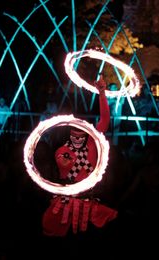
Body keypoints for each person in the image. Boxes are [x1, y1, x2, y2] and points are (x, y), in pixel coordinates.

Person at [42, 76, 118, 237]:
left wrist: (102, 93)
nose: (77, 139)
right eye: (74, 136)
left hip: (89, 202)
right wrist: (64, 163)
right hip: (65, 203)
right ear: (69, 133)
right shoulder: (62, 150)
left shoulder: (92, 143)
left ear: (86, 134)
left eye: (81, 136)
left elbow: (104, 120)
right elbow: (63, 163)